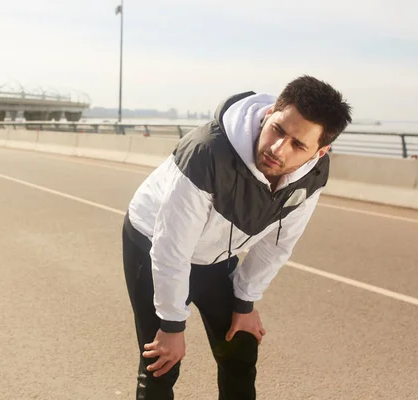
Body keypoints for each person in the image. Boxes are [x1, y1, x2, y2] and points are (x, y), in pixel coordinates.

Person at [122, 75, 352, 399]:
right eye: (278, 129)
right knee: (162, 362)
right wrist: (172, 324)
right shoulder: (207, 153)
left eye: (298, 145)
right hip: (152, 241)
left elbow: (277, 245)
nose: (277, 148)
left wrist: (245, 302)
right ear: (271, 111)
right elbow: (171, 248)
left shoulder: (312, 176)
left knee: (241, 348)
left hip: (214, 254)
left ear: (319, 152)